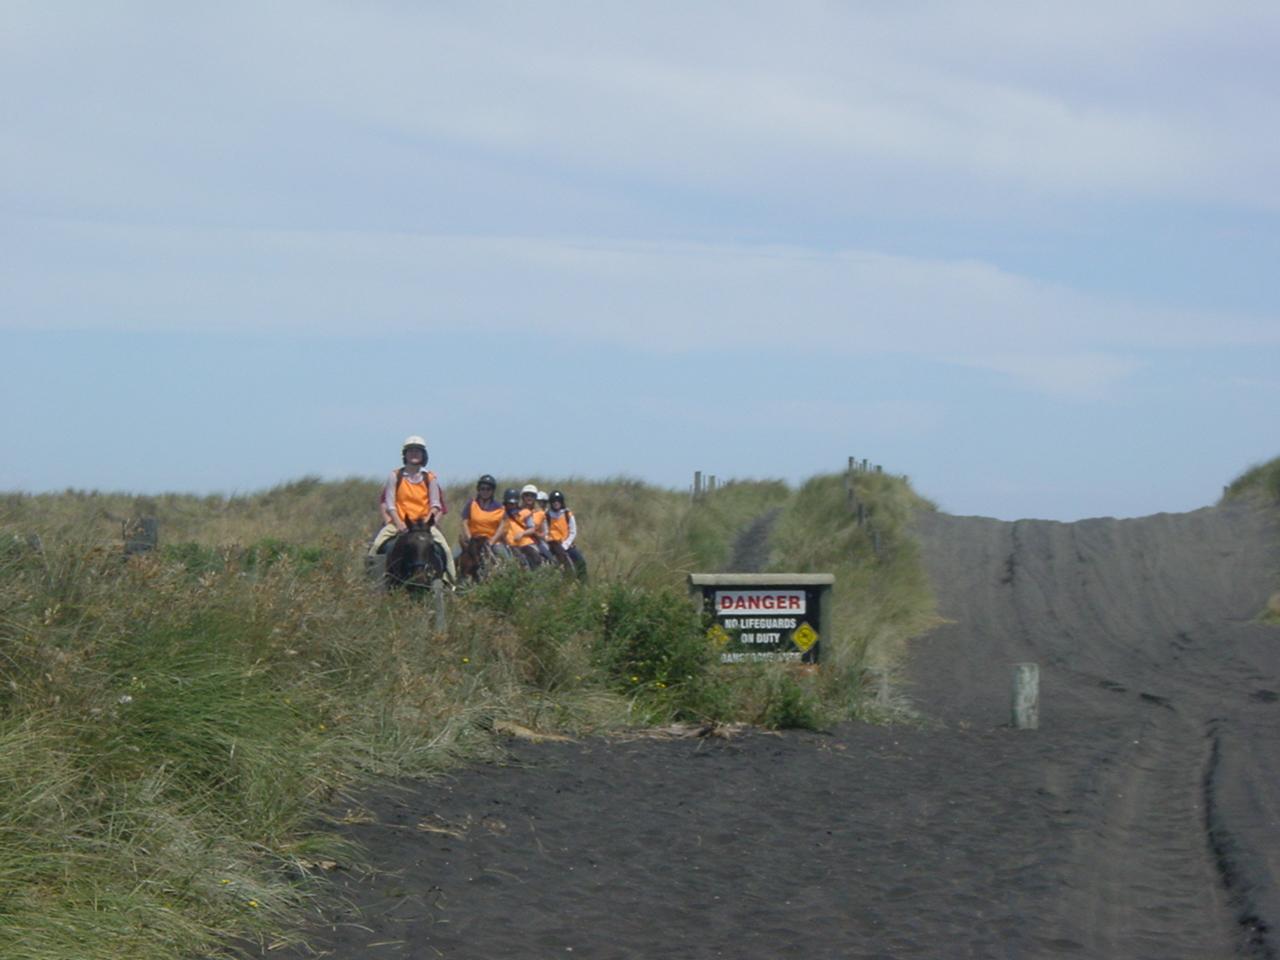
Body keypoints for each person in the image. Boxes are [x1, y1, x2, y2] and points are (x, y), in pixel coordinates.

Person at [368, 435, 456, 585]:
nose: (414, 454)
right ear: (405, 454)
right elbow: (390, 504)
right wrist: (399, 523)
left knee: (446, 550)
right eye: (410, 451)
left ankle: (450, 583)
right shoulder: (395, 476)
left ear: (423, 454)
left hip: (423, 525)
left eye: (418, 451)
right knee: (375, 547)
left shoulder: (430, 478)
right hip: (399, 523)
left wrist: (426, 525)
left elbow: (435, 505)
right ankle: (374, 583)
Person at [456, 474, 505, 577]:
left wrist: (492, 541)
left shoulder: (500, 508)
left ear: (492, 491)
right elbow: (464, 521)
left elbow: (502, 526)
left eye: (488, 489)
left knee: (506, 557)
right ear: (479, 489)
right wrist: (469, 537)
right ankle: (449, 581)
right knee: (453, 556)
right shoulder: (471, 504)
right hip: (473, 539)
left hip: (491, 540)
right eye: (482, 489)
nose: (485, 491)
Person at [495, 486, 542, 568]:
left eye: (514, 503)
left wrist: (522, 533)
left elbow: (532, 529)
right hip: (509, 544)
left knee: (534, 557)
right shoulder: (500, 513)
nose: (512, 506)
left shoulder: (525, 513)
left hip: (525, 543)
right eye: (509, 503)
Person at [545, 489, 586, 577]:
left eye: (558, 501)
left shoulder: (568, 514)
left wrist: (565, 545)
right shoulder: (547, 515)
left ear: (561, 501)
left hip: (566, 545)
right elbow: (545, 531)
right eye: (554, 501)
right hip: (552, 545)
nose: (556, 503)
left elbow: (573, 532)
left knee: (581, 561)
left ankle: (583, 582)